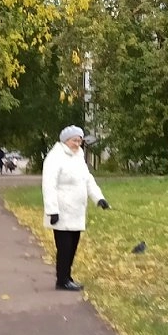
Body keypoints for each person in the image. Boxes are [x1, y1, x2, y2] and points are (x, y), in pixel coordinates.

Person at [42, 125, 110, 291]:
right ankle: (62, 280)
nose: (78, 144)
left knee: (72, 246)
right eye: (74, 140)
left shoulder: (78, 156)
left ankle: (67, 277)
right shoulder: (55, 157)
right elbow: (48, 185)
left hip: (77, 211)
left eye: (80, 141)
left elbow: (88, 179)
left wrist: (99, 198)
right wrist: (52, 210)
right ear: (65, 140)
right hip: (61, 210)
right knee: (64, 248)